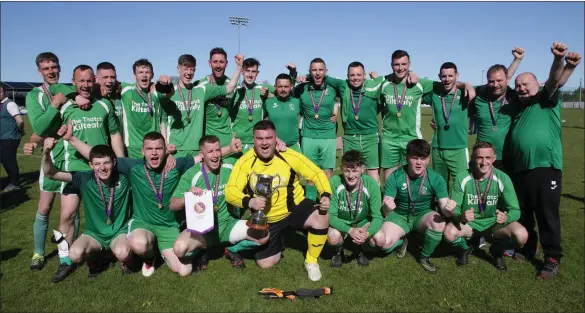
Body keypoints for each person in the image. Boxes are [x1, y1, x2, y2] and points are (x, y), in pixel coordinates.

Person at [60, 124, 211, 277]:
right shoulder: (133, 166)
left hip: (168, 226)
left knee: (184, 271)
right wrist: (72, 139)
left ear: (165, 150)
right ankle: (149, 256)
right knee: (139, 243)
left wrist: (230, 149)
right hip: (143, 223)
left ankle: (193, 251)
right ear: (142, 151)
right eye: (149, 149)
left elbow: (204, 156)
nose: (154, 153)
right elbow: (100, 158)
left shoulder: (175, 165)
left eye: (158, 149)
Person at [225, 120, 332, 281]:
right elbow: (230, 191)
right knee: (266, 263)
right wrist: (250, 202)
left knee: (321, 215)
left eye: (268, 138)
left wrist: (325, 194)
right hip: (268, 219)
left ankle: (311, 261)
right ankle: (246, 246)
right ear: (253, 140)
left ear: (276, 138)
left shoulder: (288, 155)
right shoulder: (245, 162)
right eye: (260, 138)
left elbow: (316, 173)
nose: (264, 143)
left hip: (293, 208)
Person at [508, 43, 581, 279]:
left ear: (536, 84)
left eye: (525, 84)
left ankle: (551, 258)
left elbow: (554, 80)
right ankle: (530, 248)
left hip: (546, 168)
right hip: (521, 168)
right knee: (525, 212)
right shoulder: (518, 106)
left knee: (547, 215)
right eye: (517, 85)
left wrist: (559, 60)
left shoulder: (546, 98)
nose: (520, 89)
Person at [169, 135, 269, 272]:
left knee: (263, 236)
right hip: (203, 231)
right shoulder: (192, 174)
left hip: (229, 224)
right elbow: (173, 205)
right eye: (210, 152)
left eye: (218, 150)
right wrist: (188, 197)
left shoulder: (230, 165)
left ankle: (231, 249)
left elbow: (254, 156)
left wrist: (278, 143)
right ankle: (201, 251)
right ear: (201, 155)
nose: (215, 155)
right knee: (179, 249)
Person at [41, 140, 135, 280]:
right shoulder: (85, 178)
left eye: (106, 163)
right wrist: (46, 153)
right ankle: (96, 258)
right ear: (91, 165)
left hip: (119, 232)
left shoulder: (125, 177)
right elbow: (51, 174)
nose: (102, 168)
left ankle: (128, 260)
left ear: (114, 162)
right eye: (97, 164)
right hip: (94, 234)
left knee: (123, 252)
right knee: (75, 254)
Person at [443, 141, 528, 271]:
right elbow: (454, 208)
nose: (483, 162)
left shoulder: (503, 178)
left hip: (494, 225)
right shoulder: (462, 177)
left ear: (494, 158)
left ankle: (497, 250)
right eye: (479, 158)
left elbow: (515, 210)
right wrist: (461, 216)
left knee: (521, 235)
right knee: (449, 233)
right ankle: (466, 248)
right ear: (472, 158)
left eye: (487, 158)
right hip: (470, 225)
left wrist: (506, 218)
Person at [379, 139, 456, 273]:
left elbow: (444, 206)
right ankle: (401, 240)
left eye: (423, 158)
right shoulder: (395, 176)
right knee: (382, 243)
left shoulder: (436, 178)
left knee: (439, 223)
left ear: (428, 159)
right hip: (399, 216)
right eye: (415, 158)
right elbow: (385, 211)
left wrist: (449, 210)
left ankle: (424, 257)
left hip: (422, 216)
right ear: (407, 158)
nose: (419, 163)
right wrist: (387, 206)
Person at [164, 54, 243, 157]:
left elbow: (229, 88)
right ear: (178, 68)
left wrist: (239, 67)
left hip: (198, 151)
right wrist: (165, 144)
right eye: (186, 69)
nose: (189, 73)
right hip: (175, 150)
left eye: (192, 69)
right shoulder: (171, 92)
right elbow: (162, 121)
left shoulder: (201, 90)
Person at [293, 58, 341, 200]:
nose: (318, 73)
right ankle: (310, 203)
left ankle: (326, 204)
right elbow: (287, 90)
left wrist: (336, 112)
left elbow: (345, 95)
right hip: (309, 136)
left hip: (328, 136)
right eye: (314, 70)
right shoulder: (302, 88)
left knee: (327, 173)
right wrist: (295, 75)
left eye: (321, 70)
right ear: (309, 72)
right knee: (310, 175)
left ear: (326, 72)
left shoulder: (333, 89)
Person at [470, 47, 525, 172]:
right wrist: (466, 85)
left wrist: (517, 60)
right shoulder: (479, 94)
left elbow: (505, 76)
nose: (495, 85)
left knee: (507, 190)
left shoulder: (513, 96)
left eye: (499, 81)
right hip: (481, 157)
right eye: (491, 81)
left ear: (507, 80)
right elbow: (454, 87)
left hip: (507, 157)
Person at [327, 150, 385, 268]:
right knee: (332, 237)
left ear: (362, 170)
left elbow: (378, 217)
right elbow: (331, 216)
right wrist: (350, 230)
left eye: (355, 170)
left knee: (380, 239)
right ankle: (338, 251)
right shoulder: (334, 182)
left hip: (363, 223)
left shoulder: (371, 184)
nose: (351, 175)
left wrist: (367, 234)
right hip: (342, 221)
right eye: (347, 170)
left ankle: (362, 249)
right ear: (342, 169)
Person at [423, 62, 475, 190]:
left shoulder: (465, 94)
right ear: (439, 77)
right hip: (437, 149)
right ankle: (440, 210)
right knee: (440, 186)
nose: (447, 79)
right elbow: (414, 92)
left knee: (463, 185)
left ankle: (462, 210)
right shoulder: (434, 94)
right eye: (444, 76)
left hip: (458, 148)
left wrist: (467, 84)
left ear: (457, 75)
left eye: (450, 76)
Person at [338, 62, 384, 183]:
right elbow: (324, 78)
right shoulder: (343, 87)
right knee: (349, 172)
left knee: (372, 174)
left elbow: (393, 79)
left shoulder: (373, 88)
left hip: (371, 138)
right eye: (352, 75)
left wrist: (410, 73)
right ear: (347, 76)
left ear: (364, 76)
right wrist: (305, 76)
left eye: (359, 74)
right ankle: (351, 200)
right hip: (349, 138)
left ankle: (375, 201)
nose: (355, 78)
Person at [119, 58, 175, 158]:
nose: (144, 75)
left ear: (152, 75)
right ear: (134, 76)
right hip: (133, 148)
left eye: (147, 72)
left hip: (155, 146)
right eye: (140, 72)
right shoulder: (126, 90)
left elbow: (170, 92)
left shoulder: (156, 92)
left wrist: (166, 82)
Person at [264, 71, 302, 152]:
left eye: (286, 86)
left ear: (291, 87)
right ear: (275, 87)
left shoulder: (297, 102)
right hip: (274, 148)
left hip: (293, 147)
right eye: (280, 86)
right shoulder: (268, 102)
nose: (283, 89)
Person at [0, 83, 25, 192]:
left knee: (9, 160)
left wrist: (20, 130)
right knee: (3, 159)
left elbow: (20, 120)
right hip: (2, 137)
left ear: (4, 92)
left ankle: (14, 183)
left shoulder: (10, 104)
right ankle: (13, 179)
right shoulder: (1, 105)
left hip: (10, 137)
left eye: (0, 92)